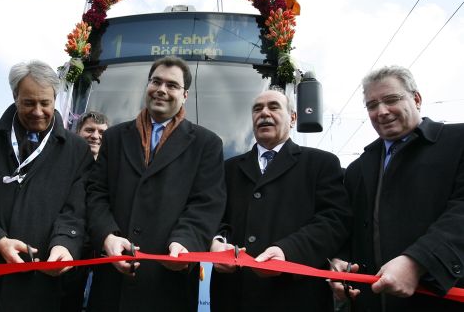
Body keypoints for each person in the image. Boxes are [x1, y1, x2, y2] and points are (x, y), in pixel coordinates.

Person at [85, 56, 226, 311]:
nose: (161, 89)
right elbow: (96, 193)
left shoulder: (207, 144)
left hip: (169, 286)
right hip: (112, 286)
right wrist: (107, 237)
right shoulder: (115, 137)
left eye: (171, 85)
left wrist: (184, 242)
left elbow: (206, 204)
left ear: (185, 95)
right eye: (156, 81)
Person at [331, 65, 464, 312]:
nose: (381, 111)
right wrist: (340, 262)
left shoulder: (458, 141)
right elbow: (346, 226)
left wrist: (418, 261)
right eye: (372, 105)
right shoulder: (358, 168)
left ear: (416, 98)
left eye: (391, 99)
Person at [0, 60, 93, 311]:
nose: (38, 111)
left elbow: (75, 211)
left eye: (45, 103)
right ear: (15, 97)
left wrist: (64, 244)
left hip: (40, 287)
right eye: (28, 103)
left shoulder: (78, 152)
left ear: (55, 98)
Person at [209, 87, 351, 311]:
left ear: (293, 118)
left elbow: (334, 220)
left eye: (273, 107)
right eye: (257, 109)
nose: (264, 113)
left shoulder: (321, 164)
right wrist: (217, 243)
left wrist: (288, 251)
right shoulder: (228, 168)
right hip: (233, 296)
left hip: (296, 297)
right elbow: (213, 215)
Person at [60, 111, 110, 312]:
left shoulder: (112, 169)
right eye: (89, 130)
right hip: (69, 248)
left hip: (102, 252)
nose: (95, 136)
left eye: (101, 132)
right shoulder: (64, 164)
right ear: (77, 132)